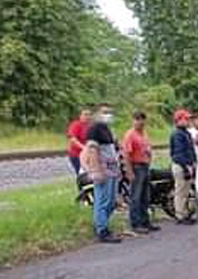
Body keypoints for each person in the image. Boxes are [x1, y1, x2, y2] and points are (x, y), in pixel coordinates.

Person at [84, 103, 123, 243]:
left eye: (109, 112)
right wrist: (96, 170)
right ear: (97, 114)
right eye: (104, 112)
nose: (108, 115)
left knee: (111, 202)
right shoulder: (94, 130)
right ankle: (102, 230)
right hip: (102, 169)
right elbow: (92, 150)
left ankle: (102, 224)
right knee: (103, 200)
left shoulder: (107, 129)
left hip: (112, 170)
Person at [122, 110, 160, 234]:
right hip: (136, 166)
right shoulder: (130, 135)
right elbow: (127, 154)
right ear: (134, 121)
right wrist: (129, 171)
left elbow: (147, 148)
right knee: (136, 196)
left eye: (142, 120)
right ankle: (136, 223)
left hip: (145, 165)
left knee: (145, 196)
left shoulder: (144, 134)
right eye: (137, 119)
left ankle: (145, 221)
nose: (140, 122)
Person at [170, 108, 197, 224]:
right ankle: (180, 215)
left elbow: (190, 150)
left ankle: (185, 213)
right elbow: (178, 154)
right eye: (185, 119)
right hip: (181, 165)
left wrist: (193, 163)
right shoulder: (177, 134)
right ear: (179, 120)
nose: (188, 121)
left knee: (186, 192)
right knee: (181, 191)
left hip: (187, 165)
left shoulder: (185, 133)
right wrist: (186, 167)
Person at [66, 108, 92, 174]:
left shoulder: (90, 126)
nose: (87, 117)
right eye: (85, 115)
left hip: (88, 155)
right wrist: (83, 147)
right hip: (77, 154)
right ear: (80, 116)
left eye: (89, 115)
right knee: (82, 173)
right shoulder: (76, 125)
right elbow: (73, 139)